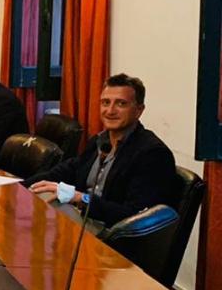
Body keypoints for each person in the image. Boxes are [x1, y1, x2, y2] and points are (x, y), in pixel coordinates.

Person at [27, 73, 179, 226]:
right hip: (82, 218)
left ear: (139, 110)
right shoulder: (99, 141)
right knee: (34, 200)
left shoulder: (152, 154)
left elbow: (136, 216)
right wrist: (18, 186)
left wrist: (82, 199)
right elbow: (67, 170)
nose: (110, 111)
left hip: (112, 235)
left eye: (121, 104)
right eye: (105, 103)